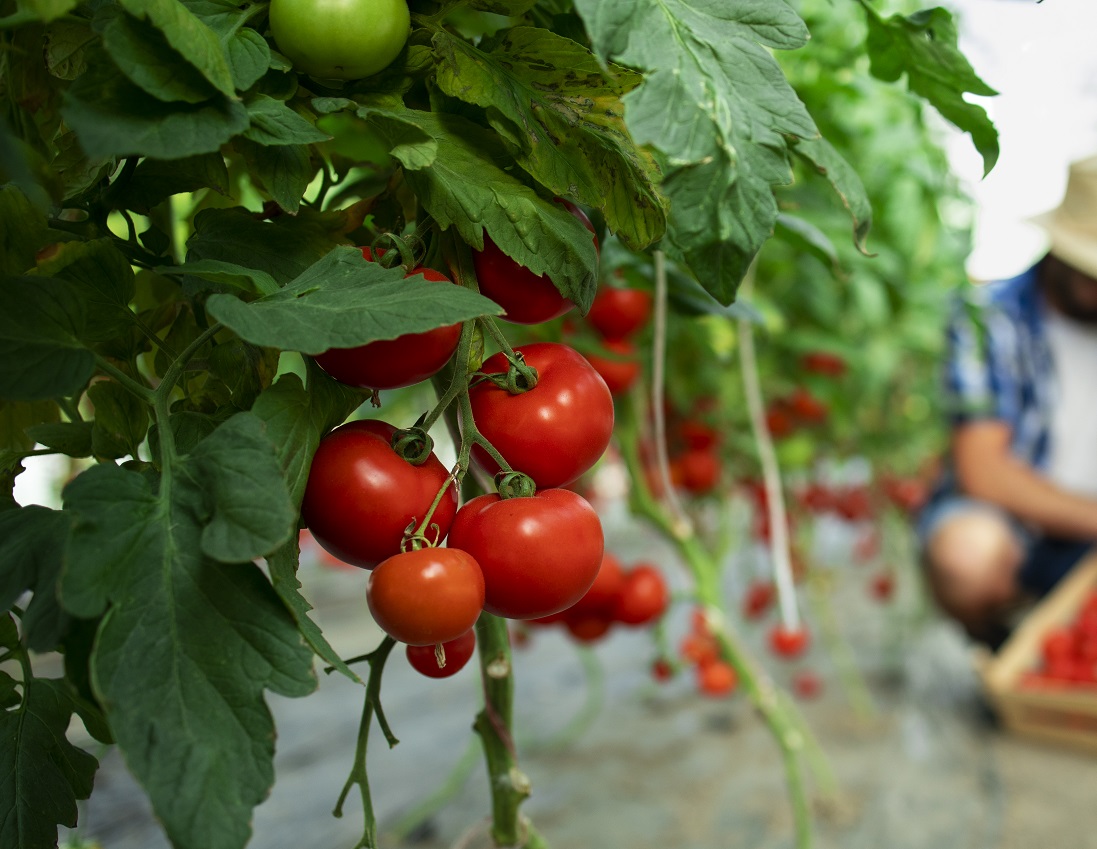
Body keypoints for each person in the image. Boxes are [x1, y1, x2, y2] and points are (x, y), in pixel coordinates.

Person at [918, 154, 1097, 648]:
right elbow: (984, 470)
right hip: (1021, 532)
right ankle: (1003, 638)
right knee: (967, 557)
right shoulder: (986, 318)